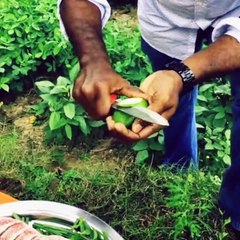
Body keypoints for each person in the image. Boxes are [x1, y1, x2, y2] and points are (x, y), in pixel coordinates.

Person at [58, 0, 240, 231]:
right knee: (168, 104)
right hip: (164, 18)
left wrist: (181, 75)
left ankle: (236, 216)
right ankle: (179, 174)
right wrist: (92, 61)